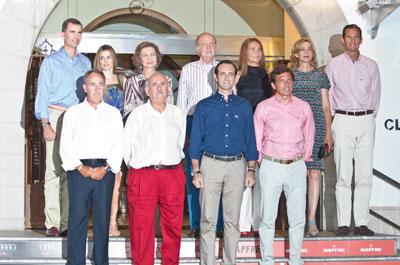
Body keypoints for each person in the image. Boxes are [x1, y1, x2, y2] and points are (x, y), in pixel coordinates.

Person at [189, 60, 258, 265]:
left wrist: (251, 170)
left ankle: (230, 262)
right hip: (210, 165)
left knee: (232, 221)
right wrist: (197, 171)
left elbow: (250, 140)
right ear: (216, 77)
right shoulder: (203, 106)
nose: (227, 78)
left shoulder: (244, 106)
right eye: (222, 74)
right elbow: (195, 142)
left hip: (237, 166)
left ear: (236, 77)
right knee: (208, 221)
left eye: (231, 74)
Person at [60, 69, 124, 265]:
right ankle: (75, 262)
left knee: (102, 222)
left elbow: (119, 144)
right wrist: (82, 168)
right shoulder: (73, 113)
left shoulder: (113, 114)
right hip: (79, 172)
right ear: (84, 87)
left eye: (100, 84)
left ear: (104, 87)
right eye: (92, 84)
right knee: (77, 220)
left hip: (105, 172)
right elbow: (66, 146)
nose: (96, 89)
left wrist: (106, 168)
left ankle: (100, 261)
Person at [34, 18, 91, 237]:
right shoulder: (51, 61)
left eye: (79, 32)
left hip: (78, 116)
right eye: (72, 32)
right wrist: (45, 123)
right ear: (63, 34)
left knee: (73, 171)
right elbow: (42, 95)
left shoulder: (86, 63)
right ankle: (53, 223)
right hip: (56, 114)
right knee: (53, 170)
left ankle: (68, 223)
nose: (75, 36)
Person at [254, 66, 314, 265]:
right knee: (267, 217)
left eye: (289, 80)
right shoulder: (264, 107)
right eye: (281, 80)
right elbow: (257, 137)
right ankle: (267, 260)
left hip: (296, 165)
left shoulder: (303, 106)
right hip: (271, 165)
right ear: (273, 85)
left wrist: (303, 159)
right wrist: (261, 162)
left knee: (297, 217)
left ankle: (296, 259)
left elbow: (309, 134)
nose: (286, 84)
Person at [124, 72, 186, 265]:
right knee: (141, 228)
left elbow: (180, 142)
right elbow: (127, 148)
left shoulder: (178, 114)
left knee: (173, 226)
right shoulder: (137, 115)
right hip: (144, 175)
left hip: (172, 174)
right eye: (154, 85)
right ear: (147, 90)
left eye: (163, 84)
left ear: (168, 89)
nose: (159, 88)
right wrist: (136, 172)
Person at [325, 24, 381, 237]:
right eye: (349, 37)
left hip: (366, 119)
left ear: (360, 40)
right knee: (343, 175)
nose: (353, 41)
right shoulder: (333, 65)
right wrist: (331, 125)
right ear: (343, 40)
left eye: (356, 37)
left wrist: (367, 116)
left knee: (365, 174)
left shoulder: (371, 66)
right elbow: (329, 98)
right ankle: (342, 223)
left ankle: (361, 222)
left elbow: (376, 97)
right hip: (343, 120)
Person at [177, 32, 223, 236]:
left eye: (211, 43)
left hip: (220, 124)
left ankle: (219, 225)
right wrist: (180, 129)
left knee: (219, 174)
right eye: (203, 44)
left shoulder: (223, 68)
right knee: (194, 173)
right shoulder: (188, 69)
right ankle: (197, 224)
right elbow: (181, 102)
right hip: (193, 122)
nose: (207, 47)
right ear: (196, 49)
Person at [289, 37, 333, 236]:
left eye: (309, 49)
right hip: (294, 129)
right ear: (296, 53)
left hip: (317, 128)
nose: (306, 52)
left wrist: (328, 133)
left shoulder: (320, 76)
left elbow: (325, 105)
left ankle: (311, 219)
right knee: (295, 176)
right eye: (302, 49)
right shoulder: (290, 75)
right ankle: (295, 219)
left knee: (314, 174)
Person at [236, 37, 273, 235]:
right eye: (252, 49)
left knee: (261, 180)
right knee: (244, 178)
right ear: (245, 52)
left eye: (259, 49)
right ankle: (242, 225)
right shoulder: (237, 75)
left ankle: (258, 225)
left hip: (264, 133)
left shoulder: (266, 76)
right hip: (243, 131)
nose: (257, 52)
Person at [93, 44, 126, 237]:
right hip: (99, 136)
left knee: (117, 179)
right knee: (100, 181)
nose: (106, 62)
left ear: (114, 59)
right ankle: (101, 222)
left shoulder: (122, 80)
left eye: (109, 57)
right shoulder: (95, 80)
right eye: (102, 58)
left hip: (119, 135)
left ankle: (112, 222)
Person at [123, 41, 173, 119]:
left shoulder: (167, 80)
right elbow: (127, 110)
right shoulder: (132, 82)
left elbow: (170, 105)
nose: (149, 58)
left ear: (157, 57)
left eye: (152, 54)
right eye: (145, 55)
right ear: (139, 60)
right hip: (140, 123)